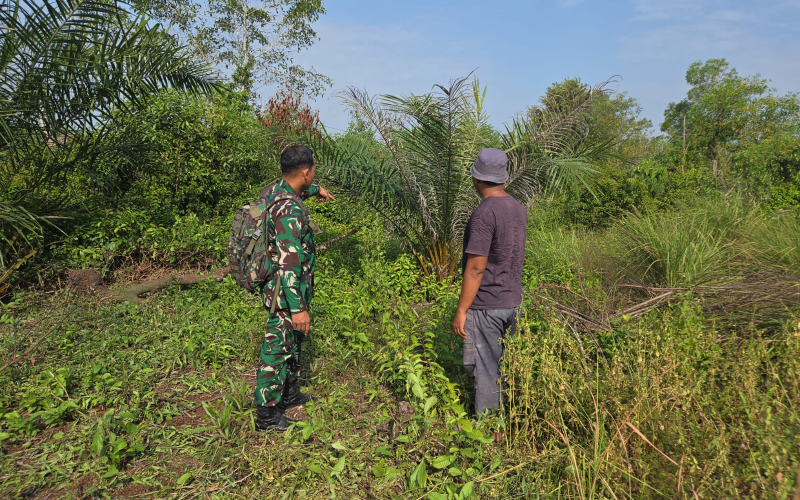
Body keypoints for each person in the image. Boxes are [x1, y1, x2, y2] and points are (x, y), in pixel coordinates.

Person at [254, 145, 334, 432]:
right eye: (313, 170)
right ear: (305, 171)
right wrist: (298, 308)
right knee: (276, 350)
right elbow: (289, 263)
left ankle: (289, 395)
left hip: (282, 289)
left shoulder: (273, 191)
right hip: (284, 293)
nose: (314, 173)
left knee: (290, 343)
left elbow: (292, 190)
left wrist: (317, 190)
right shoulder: (290, 210)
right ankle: (266, 416)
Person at [452, 148, 527, 415]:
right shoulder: (518, 208)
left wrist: (461, 310)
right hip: (513, 302)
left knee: (485, 369)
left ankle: (490, 430)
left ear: (476, 177)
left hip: (486, 306)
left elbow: (475, 268)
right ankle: (509, 419)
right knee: (506, 365)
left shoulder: (484, 213)